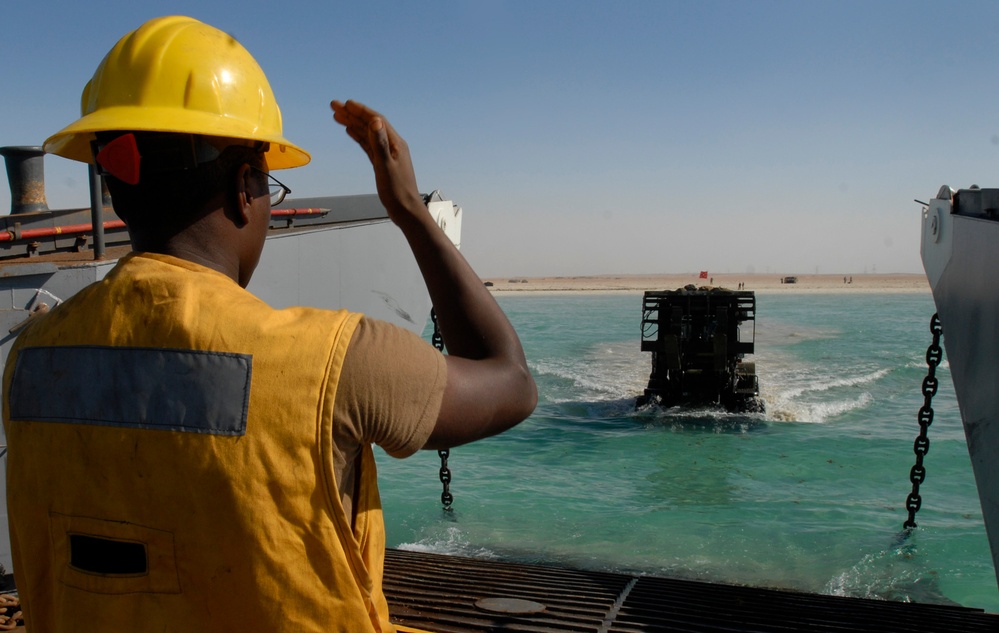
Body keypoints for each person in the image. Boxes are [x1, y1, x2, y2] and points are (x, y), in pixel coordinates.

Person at [2, 15, 536, 633]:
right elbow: (512, 381)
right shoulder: (334, 363)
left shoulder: (32, 360)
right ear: (242, 188)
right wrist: (411, 211)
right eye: (268, 182)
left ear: (119, 191)